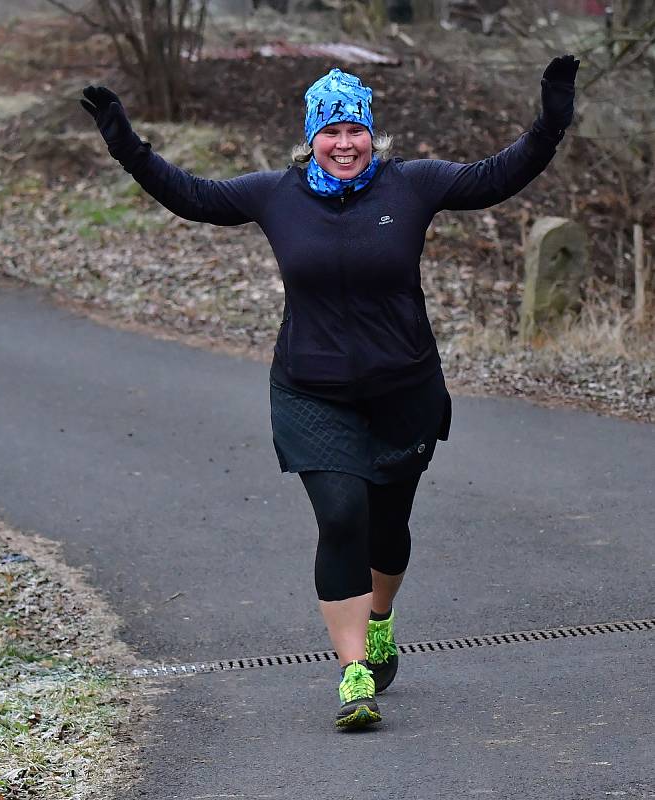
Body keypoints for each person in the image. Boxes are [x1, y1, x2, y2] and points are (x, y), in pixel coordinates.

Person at [80, 55, 579, 730]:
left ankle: (380, 619)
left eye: (355, 130)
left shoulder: (412, 186)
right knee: (341, 514)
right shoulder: (275, 195)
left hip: (403, 389)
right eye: (330, 131)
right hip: (309, 389)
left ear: (371, 135)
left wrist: (550, 121)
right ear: (310, 137)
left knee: (386, 525)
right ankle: (352, 674)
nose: (344, 143)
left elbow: (497, 176)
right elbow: (191, 195)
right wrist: (126, 145)